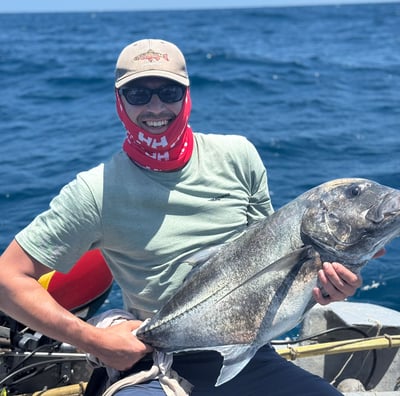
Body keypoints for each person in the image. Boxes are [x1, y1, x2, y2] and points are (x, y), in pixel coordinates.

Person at [0, 39, 380, 396]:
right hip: (159, 360)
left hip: (250, 353)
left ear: (186, 95)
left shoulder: (238, 157)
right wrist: (94, 340)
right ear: (119, 101)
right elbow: (7, 278)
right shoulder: (95, 191)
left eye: (168, 92)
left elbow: (274, 263)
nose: (155, 108)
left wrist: (327, 289)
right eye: (138, 94)